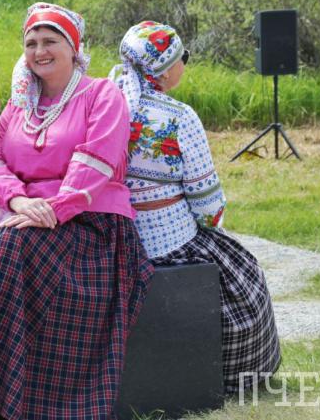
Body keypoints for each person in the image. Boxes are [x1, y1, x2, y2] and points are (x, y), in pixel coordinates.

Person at [0, 3, 154, 420]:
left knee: (9, 248)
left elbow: (97, 160)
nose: (39, 51)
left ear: (73, 47)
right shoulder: (18, 105)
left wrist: (54, 208)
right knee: (12, 247)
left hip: (94, 221)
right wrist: (19, 201)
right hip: (31, 219)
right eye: (31, 43)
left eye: (50, 41)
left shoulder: (102, 94)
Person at [109, 21, 281, 393]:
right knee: (246, 283)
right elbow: (207, 203)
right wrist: (214, 225)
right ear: (165, 69)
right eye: (181, 56)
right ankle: (232, 378)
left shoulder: (103, 102)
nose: (184, 63)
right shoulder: (178, 116)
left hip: (111, 241)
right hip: (170, 246)